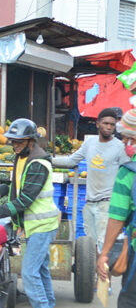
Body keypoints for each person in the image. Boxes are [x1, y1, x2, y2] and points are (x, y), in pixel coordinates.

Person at [0, 119, 59, 308]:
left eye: (18, 142)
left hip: (42, 224)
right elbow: (18, 187)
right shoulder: (22, 158)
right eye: (12, 141)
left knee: (29, 272)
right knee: (41, 270)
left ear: (30, 141)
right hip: (32, 224)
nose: (13, 145)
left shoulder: (38, 163)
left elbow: (25, 199)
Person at [53, 108, 129, 252]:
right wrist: (46, 159)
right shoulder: (90, 143)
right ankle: (97, 274)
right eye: (105, 123)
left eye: (112, 125)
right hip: (89, 203)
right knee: (91, 247)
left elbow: (127, 173)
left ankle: (104, 275)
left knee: (103, 246)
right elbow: (71, 161)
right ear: (98, 124)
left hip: (107, 204)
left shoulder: (119, 147)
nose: (109, 127)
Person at [96, 107, 136, 308]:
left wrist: (104, 254)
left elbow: (117, 216)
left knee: (130, 303)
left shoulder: (128, 173)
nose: (125, 144)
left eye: (129, 139)